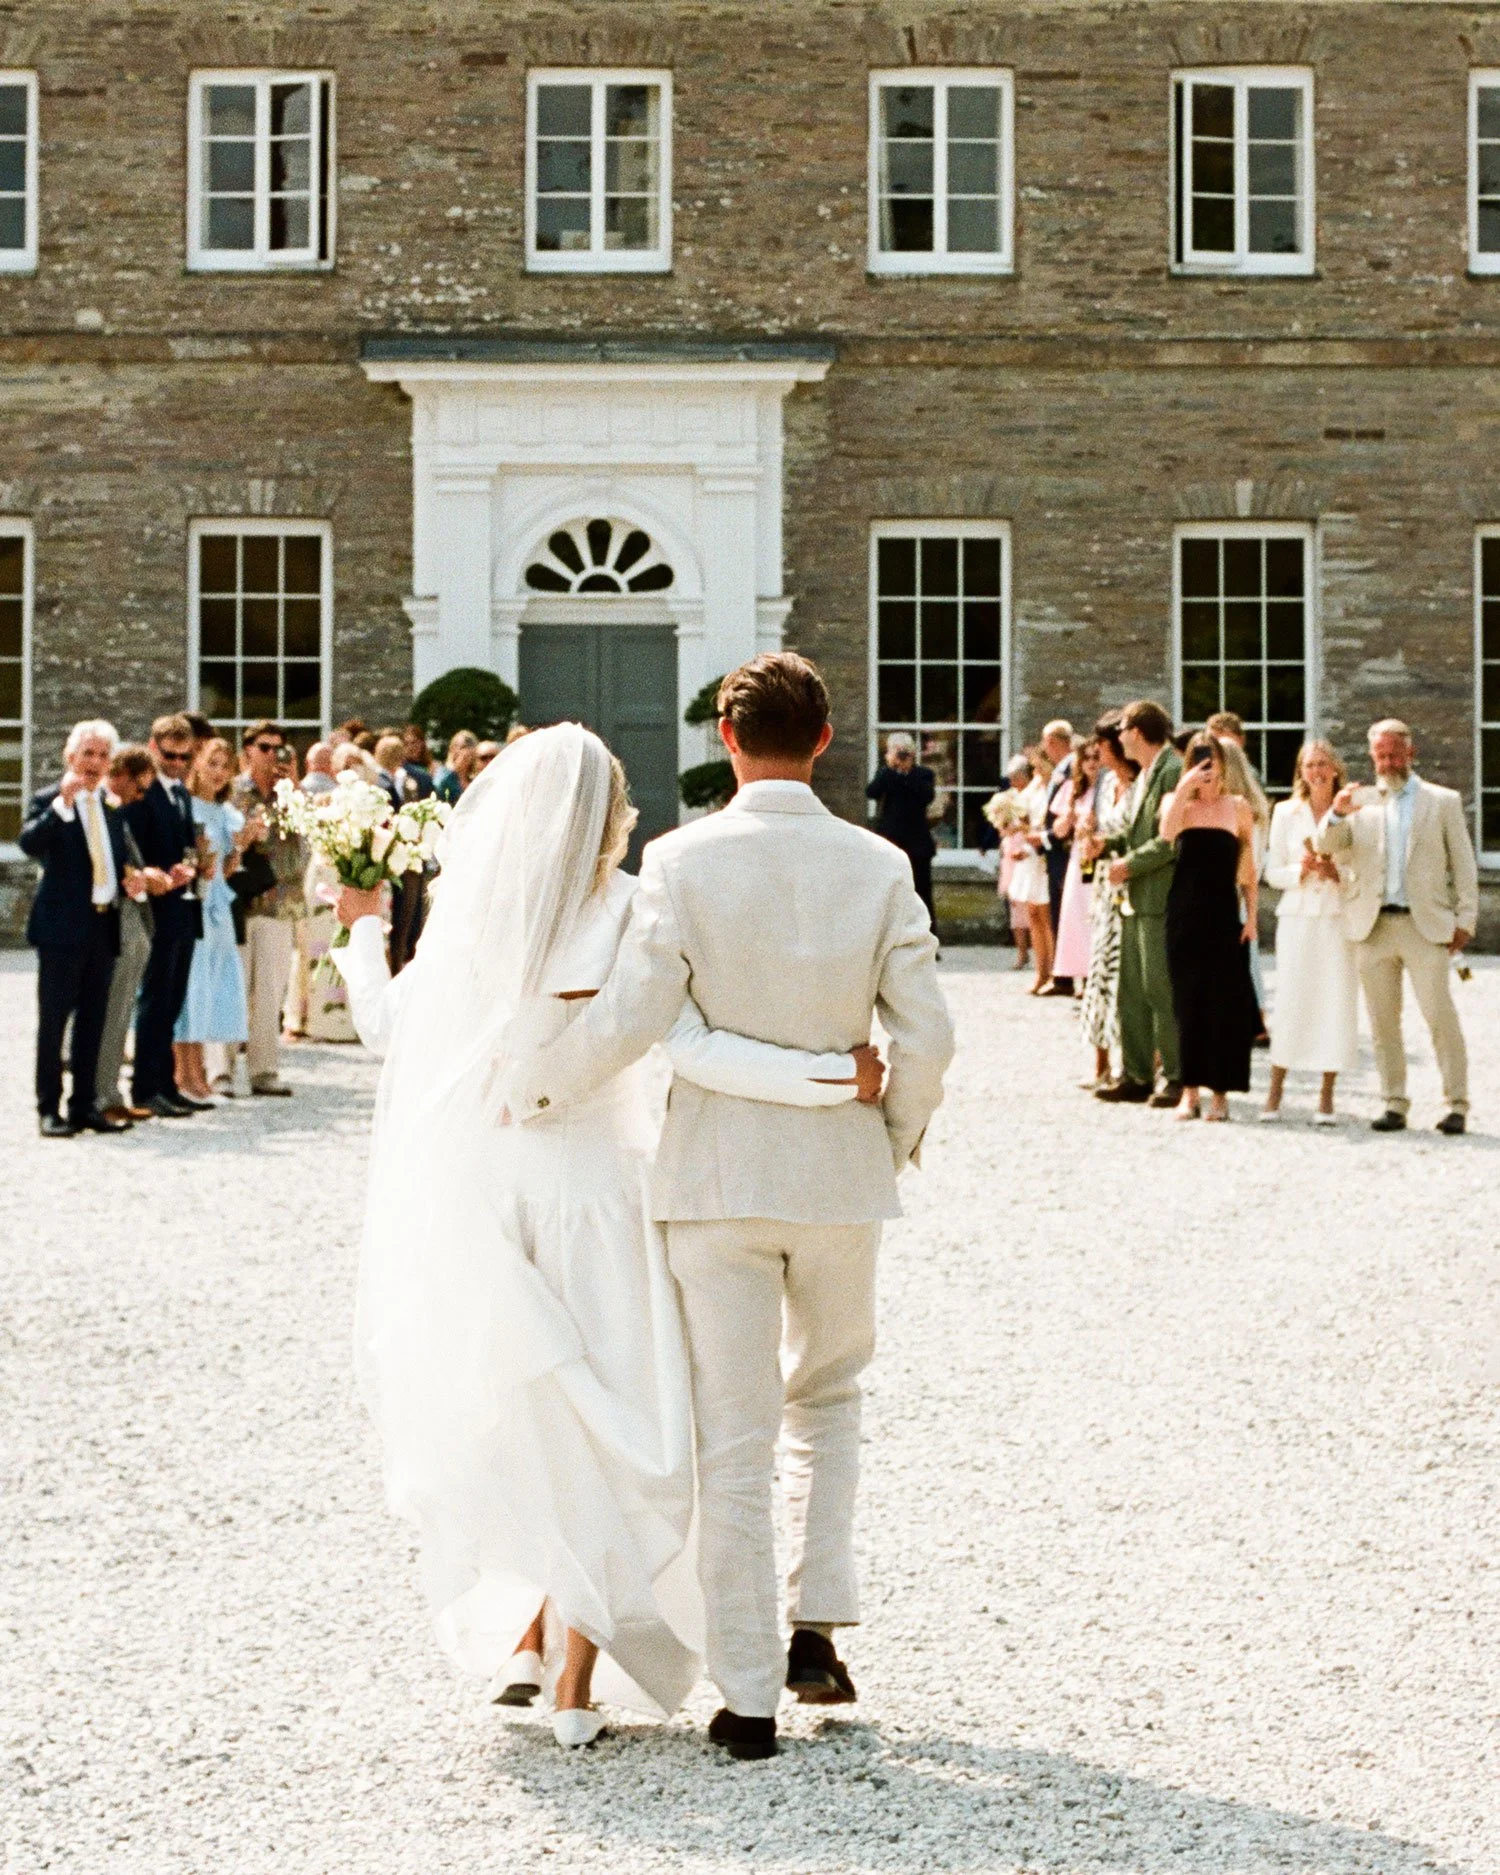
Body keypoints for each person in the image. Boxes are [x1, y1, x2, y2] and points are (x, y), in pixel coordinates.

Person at [333, 721, 890, 1750]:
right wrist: (832, 1078)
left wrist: (361, 926)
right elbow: (692, 1049)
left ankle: (538, 1641)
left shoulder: (478, 920)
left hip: (500, 1196)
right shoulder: (632, 909)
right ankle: (571, 1676)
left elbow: (384, 1027)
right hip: (601, 1191)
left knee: (540, 1414)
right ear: (610, 818)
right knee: (630, 1425)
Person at [505, 652, 954, 1760]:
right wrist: (887, 1136)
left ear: (723, 734)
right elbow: (930, 1036)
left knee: (734, 1436)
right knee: (833, 1398)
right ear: (830, 734)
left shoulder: (681, 860)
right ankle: (817, 1629)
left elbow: (633, 1015)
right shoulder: (879, 863)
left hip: (716, 1183)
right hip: (841, 1177)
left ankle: (748, 1698)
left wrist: (535, 1087)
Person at [1319, 718, 1478, 1134]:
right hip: (1372, 926)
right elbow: (1327, 847)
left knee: (1439, 1016)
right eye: (1380, 755)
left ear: (1412, 753)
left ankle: (1456, 1104)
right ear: (1371, 756)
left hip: (1424, 925)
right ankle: (1393, 1102)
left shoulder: (1441, 801)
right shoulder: (1360, 801)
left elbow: (1463, 863)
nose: (1387, 762)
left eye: (1394, 753)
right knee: (1382, 1022)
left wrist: (1466, 918)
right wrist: (1335, 815)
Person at [19, 719, 136, 1136]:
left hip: (102, 927)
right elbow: (29, 844)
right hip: (61, 931)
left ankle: (84, 1105)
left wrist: (129, 880)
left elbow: (111, 859)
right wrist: (61, 807)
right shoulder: (48, 800)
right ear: (70, 757)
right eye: (88, 753)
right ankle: (48, 1109)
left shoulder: (111, 805)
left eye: (103, 755)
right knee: (54, 1023)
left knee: (94, 1022)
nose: (96, 762)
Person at [1160, 733, 1261, 1121]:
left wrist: (1251, 916)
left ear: (1222, 762)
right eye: (1197, 757)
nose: (1205, 765)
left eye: (1211, 757)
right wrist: (1186, 788)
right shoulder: (1176, 803)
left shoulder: (1238, 807)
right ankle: (1189, 1091)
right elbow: (1166, 835)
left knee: (1224, 1005)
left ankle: (1220, 1093)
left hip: (1223, 914)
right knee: (1188, 1004)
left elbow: (1247, 868)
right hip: (1184, 914)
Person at [1261, 740, 1359, 1124]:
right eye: (1309, 765)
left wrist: (1339, 874)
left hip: (1336, 916)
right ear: (1300, 772)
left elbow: (1365, 870)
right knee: (1292, 1001)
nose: (1316, 772)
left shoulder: (1354, 813)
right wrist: (1300, 872)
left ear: (1335, 768)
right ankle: (1275, 1092)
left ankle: (1326, 1097)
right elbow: (1272, 872)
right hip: (1298, 917)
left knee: (1335, 1001)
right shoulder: (1285, 812)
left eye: (1322, 764)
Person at [1098, 700, 1183, 1106]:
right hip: (1134, 897)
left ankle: (1177, 1076)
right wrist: (1107, 844)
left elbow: (1172, 839)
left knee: (1160, 990)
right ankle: (1136, 1074)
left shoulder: (1172, 771)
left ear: (1136, 731)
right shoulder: (1148, 772)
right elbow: (1137, 831)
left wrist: (1129, 864)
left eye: (1123, 729)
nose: (1117, 737)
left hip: (1160, 897)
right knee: (1129, 989)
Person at [125, 713, 208, 1118]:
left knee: (173, 1001)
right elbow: (135, 850)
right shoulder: (145, 794)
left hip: (183, 910)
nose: (177, 764)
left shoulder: (182, 795)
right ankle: (144, 1087)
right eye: (170, 756)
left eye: (184, 757)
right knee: (154, 1001)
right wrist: (159, 877)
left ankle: (165, 1082)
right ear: (154, 749)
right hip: (156, 912)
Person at [172, 738, 252, 1103]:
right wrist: (200, 864)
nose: (219, 773)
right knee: (190, 985)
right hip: (194, 904)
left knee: (211, 986)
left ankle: (199, 1069)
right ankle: (182, 1071)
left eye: (226, 766)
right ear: (197, 764)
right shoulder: (185, 806)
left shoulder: (224, 811)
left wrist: (240, 848)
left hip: (218, 905)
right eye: (213, 764)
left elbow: (228, 870)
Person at [95, 745, 171, 1126]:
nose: (141, 799)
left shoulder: (117, 813)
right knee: (109, 1012)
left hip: (134, 919)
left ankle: (110, 1092)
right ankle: (101, 1094)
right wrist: (138, 876)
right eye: (139, 789)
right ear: (121, 774)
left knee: (120, 1011)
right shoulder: (101, 809)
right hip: (111, 925)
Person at [230, 721, 304, 1097]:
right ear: (247, 751)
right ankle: (222, 1070)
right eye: (264, 747)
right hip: (240, 903)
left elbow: (302, 851)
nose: (272, 754)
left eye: (279, 748)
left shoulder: (289, 795)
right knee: (235, 986)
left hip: (278, 904)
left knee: (270, 991)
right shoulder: (233, 792)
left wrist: (295, 789)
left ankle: (263, 1070)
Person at [1076, 713, 1137, 1089]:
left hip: (1128, 887)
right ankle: (1100, 1064)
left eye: (1101, 744)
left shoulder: (1137, 785)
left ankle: (1132, 1063)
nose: (1096, 751)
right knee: (1098, 974)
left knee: (1125, 978)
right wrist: (1088, 833)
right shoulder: (1104, 783)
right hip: (1102, 885)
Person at [865, 730, 937, 925]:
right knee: (888, 893)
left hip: (918, 843)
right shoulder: (886, 774)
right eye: (897, 752)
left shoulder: (923, 774)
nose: (901, 756)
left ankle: (928, 939)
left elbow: (927, 797)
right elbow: (871, 792)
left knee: (922, 893)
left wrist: (907, 772)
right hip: (891, 841)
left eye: (904, 752)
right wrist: (891, 770)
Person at [1051, 738, 1100, 992]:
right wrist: (1069, 817)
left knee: (1094, 913)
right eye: (1087, 758)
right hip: (1079, 857)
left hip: (1099, 856)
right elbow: (1058, 831)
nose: (1092, 763)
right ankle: (1077, 973)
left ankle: (1096, 975)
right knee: (1075, 915)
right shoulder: (1072, 789)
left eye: (1096, 757)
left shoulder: (1107, 787)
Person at [1007, 745, 1055, 994]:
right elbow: (1020, 815)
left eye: (1038, 766)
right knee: (1033, 913)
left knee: (1046, 915)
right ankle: (1041, 972)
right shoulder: (1035, 787)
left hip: (1044, 854)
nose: (1035, 771)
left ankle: (1055, 972)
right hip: (1030, 853)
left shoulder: (1055, 786)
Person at [1039, 720, 1076, 992]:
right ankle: (1061, 975)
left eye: (1046, 742)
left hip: (1063, 850)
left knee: (1065, 913)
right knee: (1058, 912)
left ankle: (1066, 977)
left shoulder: (1071, 768)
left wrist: (1045, 838)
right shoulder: (1059, 770)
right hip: (1053, 850)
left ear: (1053, 741)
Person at [434, 730, 479, 805]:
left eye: (464, 747)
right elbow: (438, 787)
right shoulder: (444, 773)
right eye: (455, 746)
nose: (458, 751)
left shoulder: (475, 778)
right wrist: (453, 770)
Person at [400, 724, 436, 799]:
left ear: (422, 743)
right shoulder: (401, 768)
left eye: (414, 743)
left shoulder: (433, 766)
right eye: (406, 744)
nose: (410, 748)